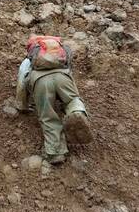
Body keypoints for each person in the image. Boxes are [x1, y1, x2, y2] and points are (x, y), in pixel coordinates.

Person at [15, 35, 92, 164]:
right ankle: (77, 113)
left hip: (41, 82)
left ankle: (56, 152)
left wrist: (22, 105)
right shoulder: (61, 54)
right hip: (63, 77)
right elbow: (70, 71)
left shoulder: (28, 61)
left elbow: (22, 85)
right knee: (72, 100)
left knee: (48, 115)